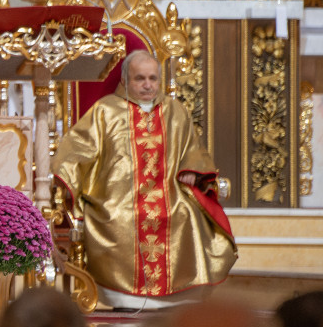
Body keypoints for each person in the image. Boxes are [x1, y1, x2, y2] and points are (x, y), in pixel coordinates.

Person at [52, 50, 237, 309]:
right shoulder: (105, 111)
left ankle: (175, 296)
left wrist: (193, 169)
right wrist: (66, 179)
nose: (148, 85)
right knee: (118, 217)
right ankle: (125, 298)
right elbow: (75, 150)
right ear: (125, 80)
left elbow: (193, 149)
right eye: (140, 78)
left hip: (169, 192)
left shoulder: (175, 111)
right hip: (116, 198)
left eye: (153, 78)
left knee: (186, 214)